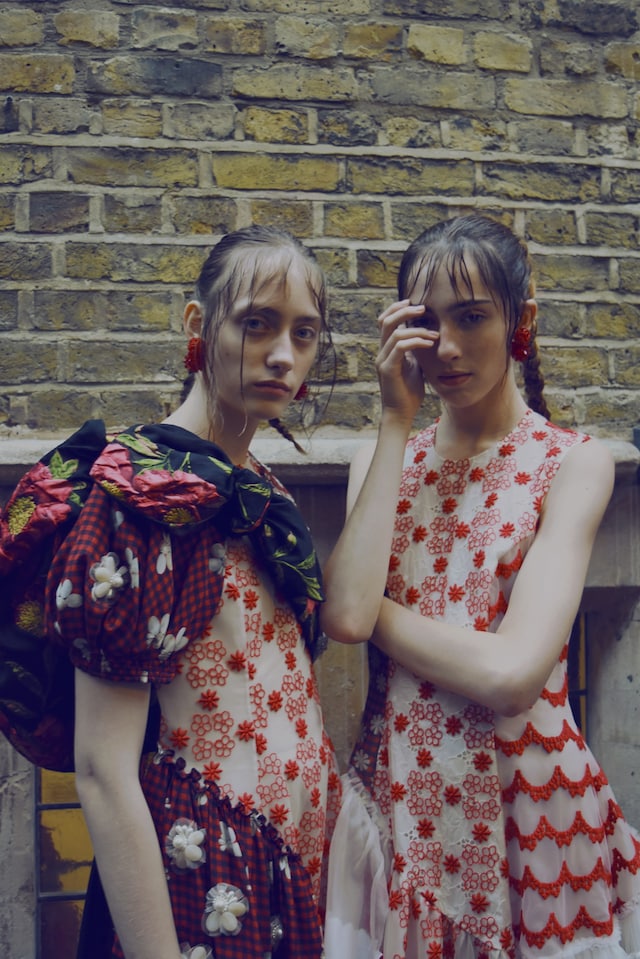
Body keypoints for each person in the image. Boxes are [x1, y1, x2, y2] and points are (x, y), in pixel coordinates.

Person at [320, 213, 640, 958]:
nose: (450, 348)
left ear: (520, 320)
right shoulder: (378, 462)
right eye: (428, 323)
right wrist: (394, 422)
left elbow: (513, 672)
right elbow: (340, 613)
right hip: (404, 804)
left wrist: (374, 615)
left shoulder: (572, 462)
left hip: (531, 810)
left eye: (472, 317)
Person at [29, 225, 341, 959]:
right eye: (256, 323)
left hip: (287, 869)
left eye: (304, 333)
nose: (283, 355)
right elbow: (103, 770)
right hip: (199, 880)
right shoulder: (142, 498)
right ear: (199, 326)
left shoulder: (261, 486)